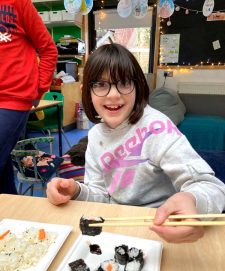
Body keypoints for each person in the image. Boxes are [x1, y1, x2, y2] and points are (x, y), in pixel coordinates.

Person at [46, 43, 225, 243]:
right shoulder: (96, 136)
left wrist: (192, 199)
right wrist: (76, 190)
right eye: (100, 85)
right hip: (117, 226)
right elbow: (101, 195)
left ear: (138, 86)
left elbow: (212, 188)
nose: (113, 94)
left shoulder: (157, 127)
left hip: (162, 229)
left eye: (123, 83)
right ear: (86, 91)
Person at [0, 0, 58, 194]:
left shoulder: (18, 3)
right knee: (3, 168)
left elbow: (49, 49)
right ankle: (12, 219)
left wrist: (39, 89)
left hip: (14, 97)